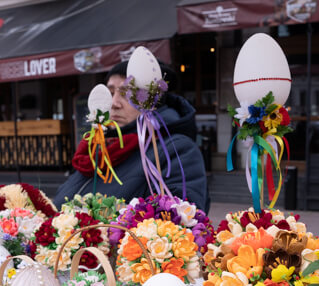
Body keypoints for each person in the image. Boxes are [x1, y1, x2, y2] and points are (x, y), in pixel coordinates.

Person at [53, 61, 209, 212]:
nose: (114, 103)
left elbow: (178, 222)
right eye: (111, 93)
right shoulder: (100, 149)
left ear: (153, 102)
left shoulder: (176, 150)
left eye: (127, 94)